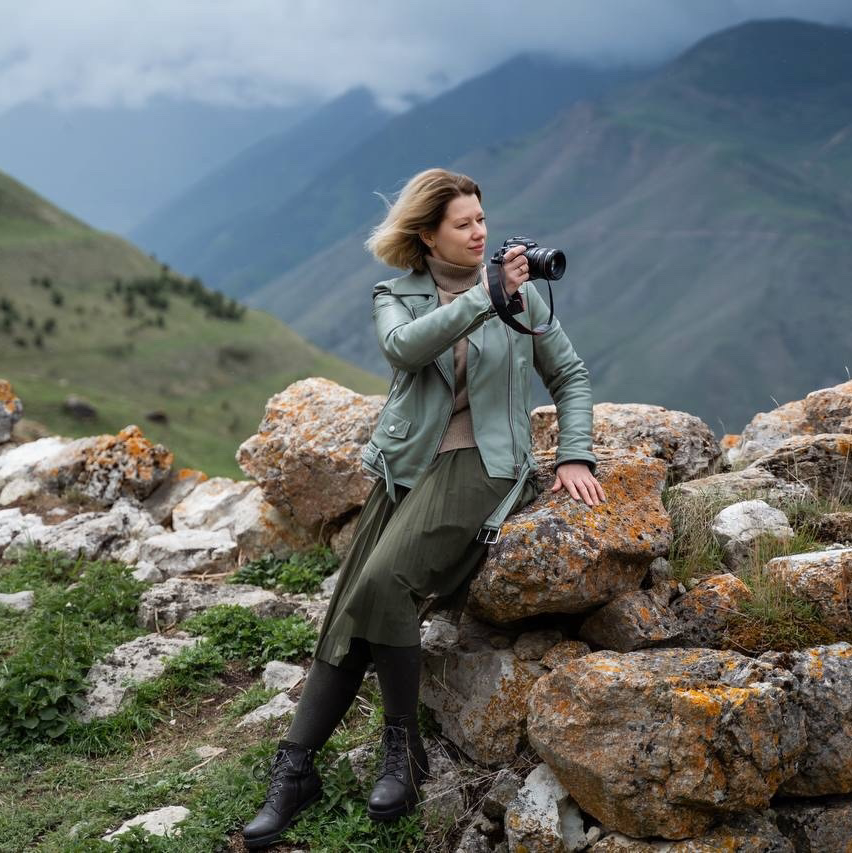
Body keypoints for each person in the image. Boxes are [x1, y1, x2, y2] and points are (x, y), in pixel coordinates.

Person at [241, 168, 606, 850]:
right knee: (349, 613)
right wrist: (485, 299)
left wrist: (575, 454)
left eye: (482, 218)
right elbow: (405, 348)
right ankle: (295, 771)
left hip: (485, 464)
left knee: (383, 584)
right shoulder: (398, 294)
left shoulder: (520, 298)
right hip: (408, 467)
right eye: (464, 223)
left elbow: (572, 375)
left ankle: (402, 752)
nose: (481, 232)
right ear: (427, 235)